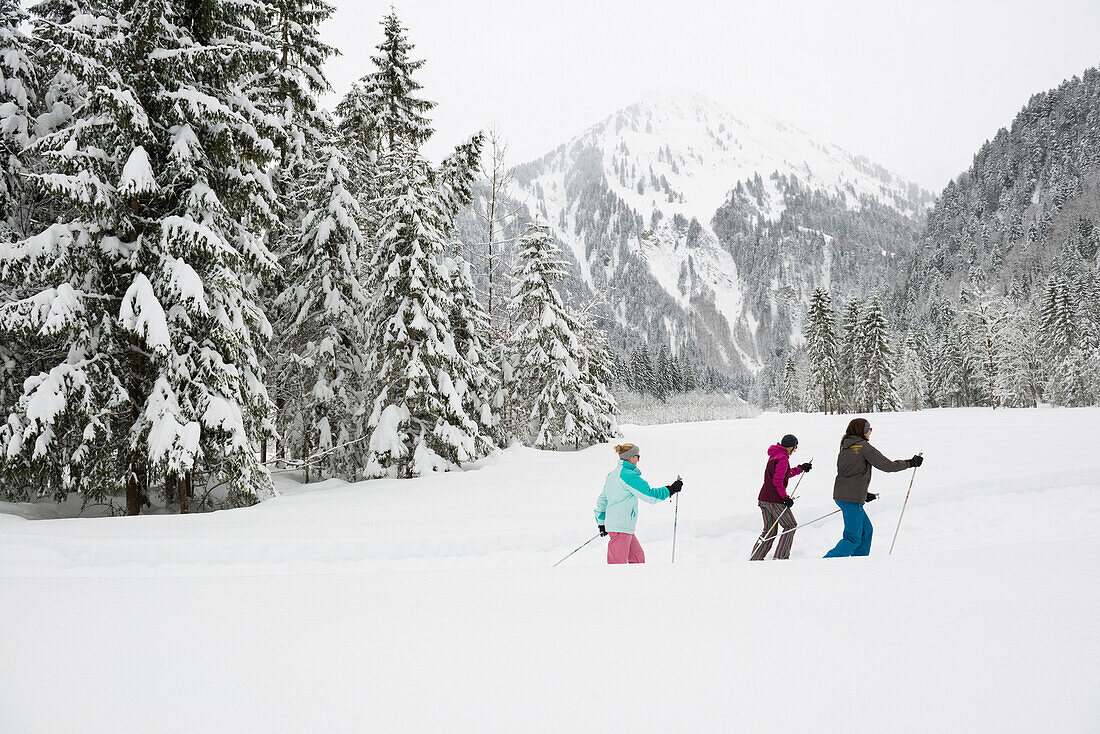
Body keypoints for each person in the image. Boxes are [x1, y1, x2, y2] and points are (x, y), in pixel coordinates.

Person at [823, 418, 923, 558]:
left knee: (866, 531)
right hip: (850, 498)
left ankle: (860, 562)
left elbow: (849, 473)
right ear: (861, 431)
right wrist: (910, 463)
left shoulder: (845, 446)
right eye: (869, 428)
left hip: (844, 495)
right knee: (852, 538)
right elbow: (888, 466)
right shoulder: (863, 447)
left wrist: (863, 494)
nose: (871, 431)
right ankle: (826, 563)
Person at [594, 443, 683, 564]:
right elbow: (649, 495)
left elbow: (602, 501)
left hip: (623, 527)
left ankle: (635, 582)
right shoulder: (627, 475)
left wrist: (602, 523)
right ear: (630, 457)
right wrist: (670, 489)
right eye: (638, 456)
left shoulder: (613, 475)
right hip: (620, 527)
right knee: (616, 566)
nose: (638, 460)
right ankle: (615, 583)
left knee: (637, 559)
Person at [750, 434, 813, 561]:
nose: (795, 450)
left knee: (769, 530)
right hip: (774, 500)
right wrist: (785, 498)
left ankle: (756, 558)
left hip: (764, 498)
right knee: (790, 525)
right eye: (795, 447)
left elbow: (784, 474)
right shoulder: (783, 458)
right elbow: (778, 481)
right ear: (791, 446)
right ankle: (781, 557)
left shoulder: (774, 456)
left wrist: (800, 468)